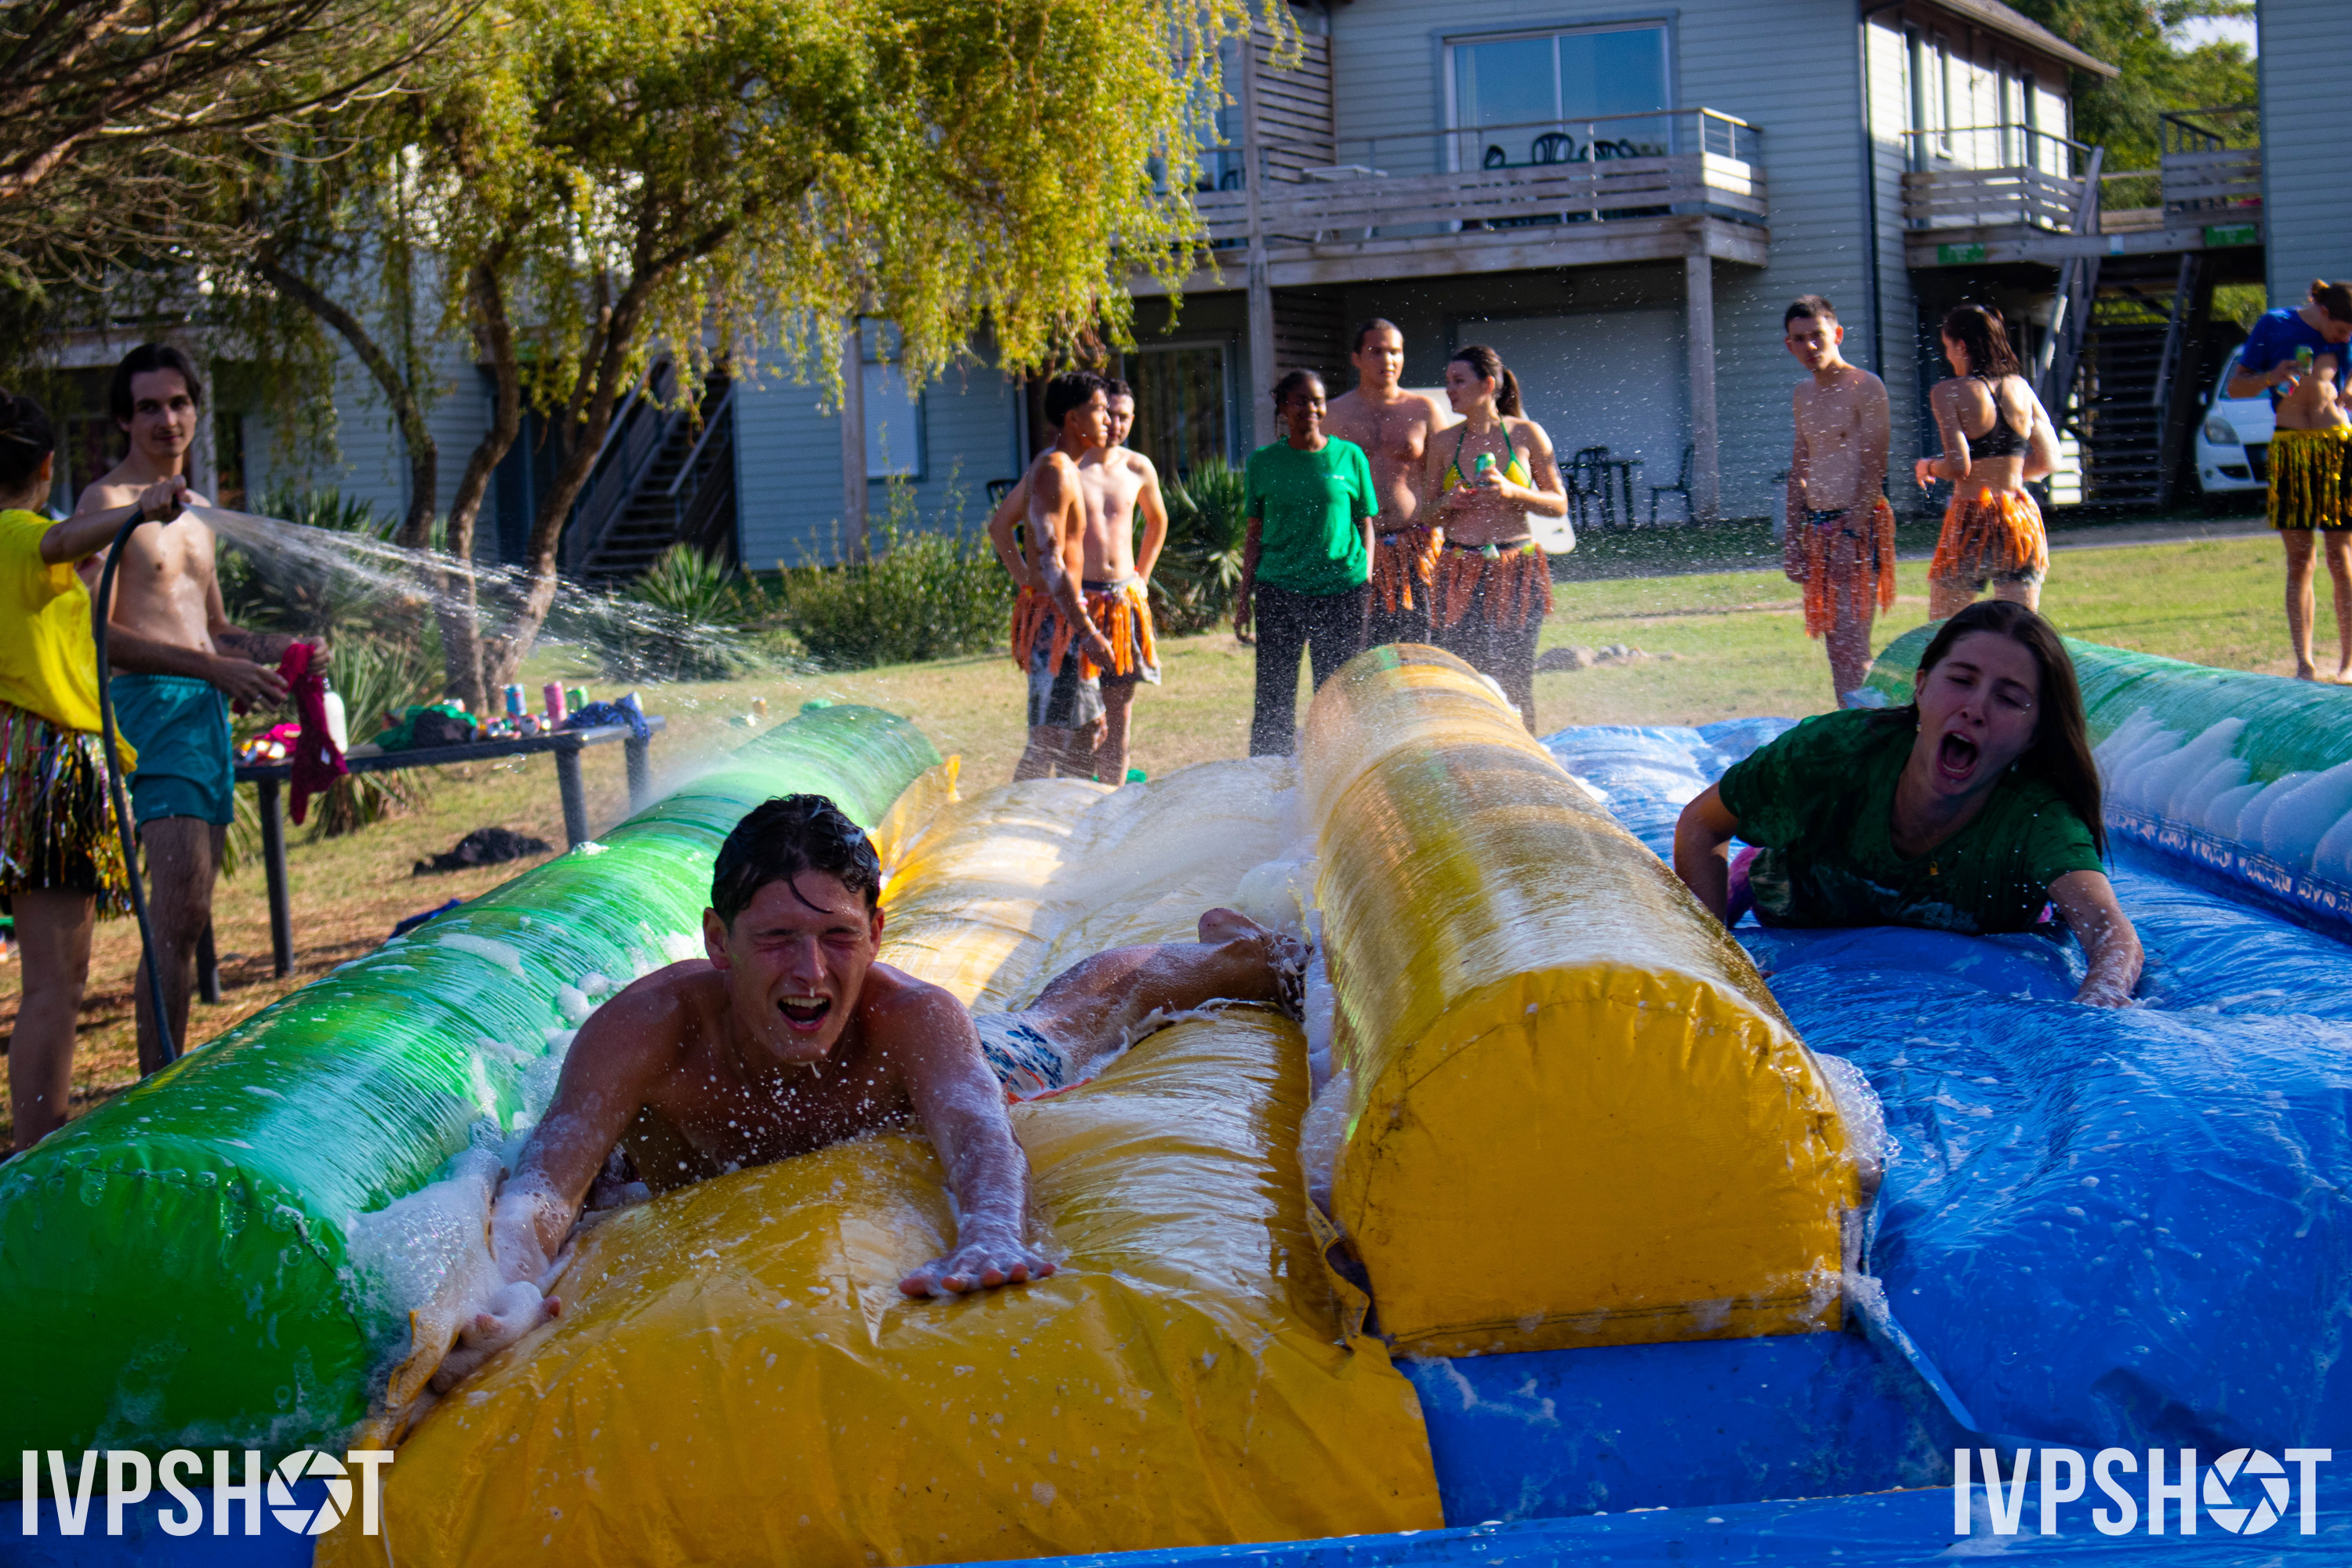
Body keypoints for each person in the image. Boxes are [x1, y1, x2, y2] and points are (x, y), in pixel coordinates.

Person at [428, 793, 1305, 1388]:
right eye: (777, 938)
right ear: (718, 941)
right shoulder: (649, 1030)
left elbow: (980, 1135)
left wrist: (991, 1232)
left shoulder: (910, 1018)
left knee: (1068, 1019)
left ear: (877, 933)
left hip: (973, 1064)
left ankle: (1240, 950)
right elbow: (546, 1180)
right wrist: (510, 1286)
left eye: (838, 937)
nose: (810, 971)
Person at [1671, 601, 2140, 1008]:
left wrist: (2098, 1002)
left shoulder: (2038, 820)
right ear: (1920, 686)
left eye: (2009, 699)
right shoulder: (1833, 755)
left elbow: (2111, 932)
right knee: (1770, 877)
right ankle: (1761, 861)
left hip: (1966, 926)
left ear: (2034, 734)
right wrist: (1715, 962)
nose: (1975, 709)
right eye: (1961, 680)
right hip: (1805, 896)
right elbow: (1700, 824)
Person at [76, 344, 292, 1073]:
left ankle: (166, 1076)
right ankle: (157, 1092)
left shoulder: (197, 514)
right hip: (149, 712)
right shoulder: (106, 504)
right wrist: (211, 668)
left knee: (192, 912)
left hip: (203, 714)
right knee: (175, 913)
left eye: (178, 403)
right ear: (123, 421)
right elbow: (99, 634)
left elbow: (215, 629)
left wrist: (286, 649)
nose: (167, 420)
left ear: (197, 411)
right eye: (148, 407)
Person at [0, 392, 205, 1149]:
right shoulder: (18, 535)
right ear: (48, 466)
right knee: (54, 984)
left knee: (56, 980)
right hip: (50, 767)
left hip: (36, 763)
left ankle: (35, 1145)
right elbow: (54, 539)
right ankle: (34, 1155)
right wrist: (136, 513)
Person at [1421, 344, 1570, 730]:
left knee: (1515, 679)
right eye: (1448, 381)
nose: (1449, 390)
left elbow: (1558, 504)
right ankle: (1471, 754)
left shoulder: (1526, 434)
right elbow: (1426, 514)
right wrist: (1449, 502)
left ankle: (1523, 758)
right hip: (1458, 570)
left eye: (1458, 381)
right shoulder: (1444, 442)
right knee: (1465, 679)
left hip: (1516, 569)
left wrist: (1513, 492)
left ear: (1487, 385)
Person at [1236, 371, 1377, 756]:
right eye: (1300, 401)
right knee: (1273, 695)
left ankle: (1336, 770)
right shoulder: (1263, 462)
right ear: (1283, 407)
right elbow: (1253, 535)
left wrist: (1365, 575)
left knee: (1336, 695)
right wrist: (1243, 599)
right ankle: (1268, 775)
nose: (1310, 408)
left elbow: (1365, 522)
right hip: (1280, 590)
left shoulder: (1350, 456)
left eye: (1317, 400)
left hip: (1341, 589)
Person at [2225, 280, 2352, 681]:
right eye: (2342, 331)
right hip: (2290, 447)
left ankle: (2349, 663)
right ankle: (2305, 664)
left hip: (2336, 446)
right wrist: (2272, 376)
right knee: (2300, 560)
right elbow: (2235, 388)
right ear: (2325, 312)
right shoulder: (2274, 325)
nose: (2345, 339)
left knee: (2341, 557)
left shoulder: (2346, 337)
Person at [1781, 296, 1895, 708]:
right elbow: (1800, 469)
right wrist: (1791, 539)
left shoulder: (1865, 386)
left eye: (1818, 335)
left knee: (1852, 643)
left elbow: (1875, 466)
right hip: (1818, 529)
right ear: (1789, 345)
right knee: (1836, 646)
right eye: (1800, 339)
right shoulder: (1803, 394)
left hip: (1859, 525)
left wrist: (1851, 534)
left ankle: (1874, 726)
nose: (1810, 346)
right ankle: (1851, 724)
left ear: (1838, 334)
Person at [1058, 376, 1170, 786]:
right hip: (1082, 604)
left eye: (1125, 416)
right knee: (1083, 720)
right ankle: (1075, 801)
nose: (1116, 424)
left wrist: (1143, 577)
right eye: (1110, 414)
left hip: (1123, 601)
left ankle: (1114, 800)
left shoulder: (1137, 466)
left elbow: (1157, 520)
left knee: (1120, 714)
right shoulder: (1070, 467)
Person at [1915, 305, 2060, 619]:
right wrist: (2007, 474)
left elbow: (1959, 466)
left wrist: (1927, 467)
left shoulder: (1948, 392)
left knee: (1945, 627)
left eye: (1947, 346)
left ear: (1962, 346)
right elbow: (2050, 460)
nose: (1948, 356)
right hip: (2019, 520)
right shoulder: (2021, 388)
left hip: (1971, 521)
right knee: (2019, 627)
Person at [1000, 372, 1111, 781]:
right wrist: (1086, 630)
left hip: (1060, 615)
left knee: (1087, 732)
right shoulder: (1054, 471)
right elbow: (1050, 559)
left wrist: (1030, 588)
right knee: (1049, 739)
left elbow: (1000, 528)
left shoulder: (1058, 466)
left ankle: (1070, 813)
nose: (1108, 418)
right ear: (1072, 418)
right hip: (1059, 625)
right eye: (1098, 409)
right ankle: (1014, 815)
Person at [1323, 320, 1456, 648]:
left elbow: (1450, 476)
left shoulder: (1423, 410)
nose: (1388, 360)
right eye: (1377, 351)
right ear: (1356, 358)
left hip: (1419, 548)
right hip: (1357, 551)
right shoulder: (1333, 415)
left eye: (1395, 352)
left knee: (1424, 651)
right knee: (1362, 653)